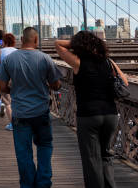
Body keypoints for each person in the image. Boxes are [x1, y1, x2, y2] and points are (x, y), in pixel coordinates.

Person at [55, 31, 128, 188]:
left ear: (79, 45)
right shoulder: (109, 62)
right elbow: (125, 83)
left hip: (89, 116)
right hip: (110, 114)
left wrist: (75, 43)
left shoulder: (77, 61)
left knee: (91, 159)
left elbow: (58, 45)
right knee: (106, 155)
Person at [0, 27, 62, 188]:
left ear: (21, 39)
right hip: (41, 112)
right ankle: (43, 183)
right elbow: (56, 85)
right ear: (36, 40)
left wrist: (16, 90)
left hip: (20, 113)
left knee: (23, 153)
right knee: (45, 147)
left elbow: (2, 87)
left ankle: (27, 184)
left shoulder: (9, 60)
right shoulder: (45, 58)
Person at [0, 32, 17, 130]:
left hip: (4, 79)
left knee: (7, 102)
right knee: (16, 101)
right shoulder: (17, 51)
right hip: (16, 78)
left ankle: (12, 124)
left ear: (4, 41)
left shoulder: (1, 51)